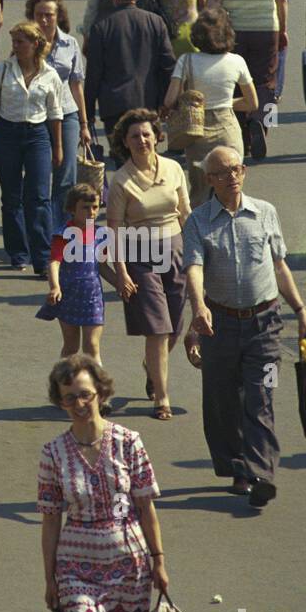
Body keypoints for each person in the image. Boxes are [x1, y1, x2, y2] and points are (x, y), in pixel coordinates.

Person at [183, 145, 306, 507]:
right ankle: (238, 467)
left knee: (261, 396)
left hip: (265, 324)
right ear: (210, 180)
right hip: (219, 324)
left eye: (237, 169)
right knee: (223, 401)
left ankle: (261, 475)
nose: (232, 177)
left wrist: (300, 310)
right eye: (223, 172)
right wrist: (198, 309)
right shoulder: (197, 221)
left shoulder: (266, 213)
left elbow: (279, 266)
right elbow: (193, 267)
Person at [39, 355, 167, 612]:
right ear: (60, 402)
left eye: (85, 395)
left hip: (129, 568)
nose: (79, 405)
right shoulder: (53, 453)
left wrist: (158, 561)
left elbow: (146, 507)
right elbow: (50, 521)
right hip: (75, 569)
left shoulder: (129, 442)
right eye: (69, 398)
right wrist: (50, 579)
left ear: (101, 392)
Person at [106, 108, 191, 420]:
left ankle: (151, 367)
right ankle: (162, 398)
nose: (142, 140)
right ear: (125, 143)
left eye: (146, 134)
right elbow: (113, 229)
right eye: (134, 136)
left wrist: (198, 252)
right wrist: (121, 272)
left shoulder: (173, 168)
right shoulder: (120, 181)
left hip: (177, 247)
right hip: (140, 252)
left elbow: (186, 212)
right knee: (157, 327)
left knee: (175, 328)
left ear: (157, 136)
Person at [0, 22, 64, 277]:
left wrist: (58, 147)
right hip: (8, 133)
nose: (16, 47)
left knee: (39, 196)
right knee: (12, 196)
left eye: (21, 42)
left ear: (35, 44)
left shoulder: (50, 74)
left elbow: (55, 113)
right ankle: (17, 252)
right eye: (14, 42)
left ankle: (42, 257)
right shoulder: (2, 70)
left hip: (38, 135)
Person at [205, 0, 288, 159]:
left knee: (236, 82)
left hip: (234, 30)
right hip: (266, 27)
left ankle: (241, 131)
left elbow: (214, 0)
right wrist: (283, 30)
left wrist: (213, 31)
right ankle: (262, 123)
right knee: (267, 83)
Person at [160, 8, 258, 205]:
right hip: (228, 127)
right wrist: (225, 102)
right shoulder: (237, 61)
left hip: (197, 131)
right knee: (231, 189)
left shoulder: (186, 60)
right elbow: (252, 103)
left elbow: (169, 100)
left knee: (200, 191)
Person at [27, 0, 93, 229]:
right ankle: (41, 232)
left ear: (58, 16)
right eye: (39, 15)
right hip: (37, 116)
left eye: (49, 15)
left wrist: (84, 125)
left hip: (66, 114)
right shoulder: (26, 43)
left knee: (66, 178)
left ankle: (62, 232)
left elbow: (77, 85)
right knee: (40, 178)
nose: (44, 20)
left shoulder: (70, 44)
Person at [45, 186, 108, 364]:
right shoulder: (64, 234)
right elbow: (54, 262)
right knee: (71, 347)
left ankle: (98, 388)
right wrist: (55, 287)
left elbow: (102, 267)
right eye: (85, 207)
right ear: (72, 209)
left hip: (93, 297)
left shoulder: (100, 235)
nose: (91, 212)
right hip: (69, 296)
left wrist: (120, 283)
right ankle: (62, 385)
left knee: (92, 346)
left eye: (95, 207)